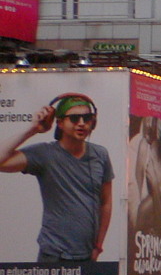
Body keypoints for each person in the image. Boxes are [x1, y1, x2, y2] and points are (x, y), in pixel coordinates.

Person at [0, 94, 115, 261]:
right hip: (53, 254)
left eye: (87, 118)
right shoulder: (45, 154)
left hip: (87, 255)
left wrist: (98, 246)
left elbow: (106, 203)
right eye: (74, 118)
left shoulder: (100, 155)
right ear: (60, 123)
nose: (82, 123)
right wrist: (32, 130)